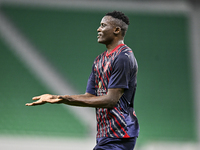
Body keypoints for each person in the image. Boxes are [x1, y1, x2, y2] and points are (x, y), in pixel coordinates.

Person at [26, 11, 139, 150]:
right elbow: (89, 96)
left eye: (103, 25)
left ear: (116, 30)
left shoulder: (123, 57)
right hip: (106, 135)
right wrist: (57, 97)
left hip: (120, 134)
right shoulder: (99, 60)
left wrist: (65, 99)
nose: (98, 29)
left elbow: (111, 100)